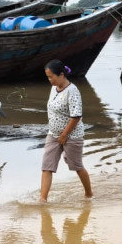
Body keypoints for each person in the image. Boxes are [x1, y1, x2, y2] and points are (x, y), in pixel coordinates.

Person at [40, 59, 93, 202]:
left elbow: (76, 116)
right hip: (53, 134)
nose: (49, 80)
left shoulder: (72, 91)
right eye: (48, 77)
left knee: (77, 166)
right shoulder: (54, 88)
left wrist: (64, 135)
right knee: (47, 166)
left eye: (51, 76)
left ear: (61, 74)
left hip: (72, 135)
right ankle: (42, 200)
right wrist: (57, 133)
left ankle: (88, 194)